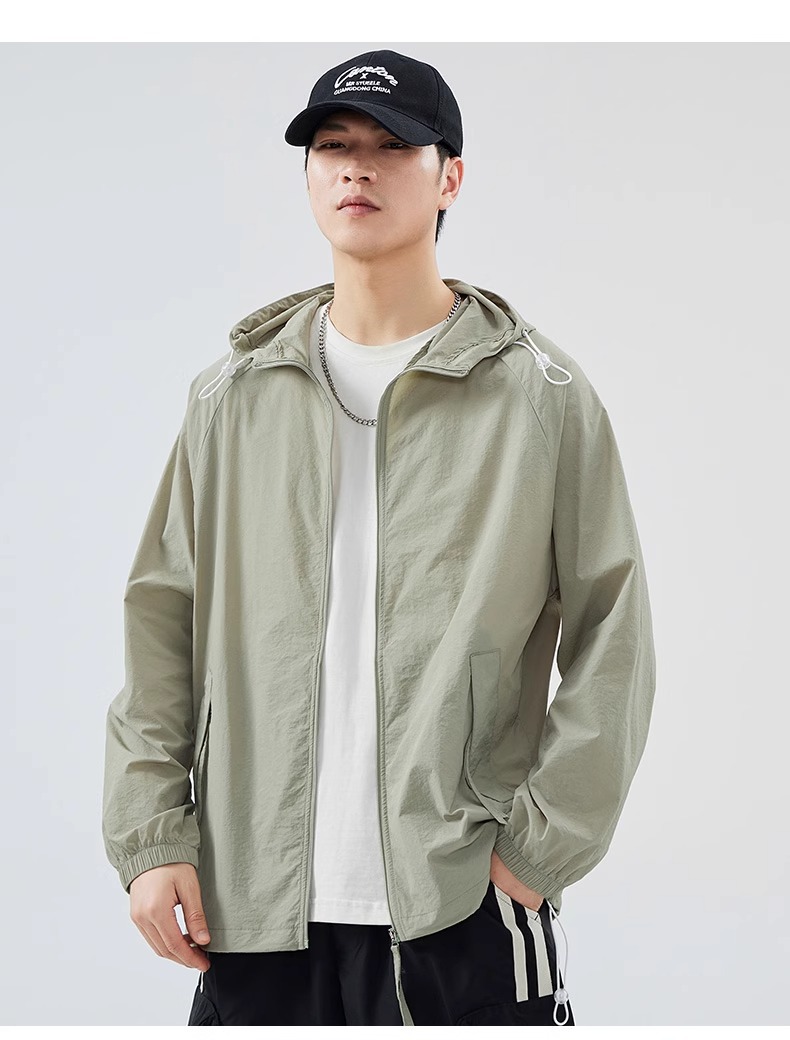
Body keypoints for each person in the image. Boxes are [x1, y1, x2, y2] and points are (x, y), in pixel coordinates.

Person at [101, 48, 656, 1027]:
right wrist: (151, 833)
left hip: (460, 899)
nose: (357, 166)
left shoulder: (539, 396)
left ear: (450, 177)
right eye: (332, 145)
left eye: (392, 145)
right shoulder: (232, 398)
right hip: (252, 900)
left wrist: (536, 852)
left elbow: (617, 635)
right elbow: (162, 625)